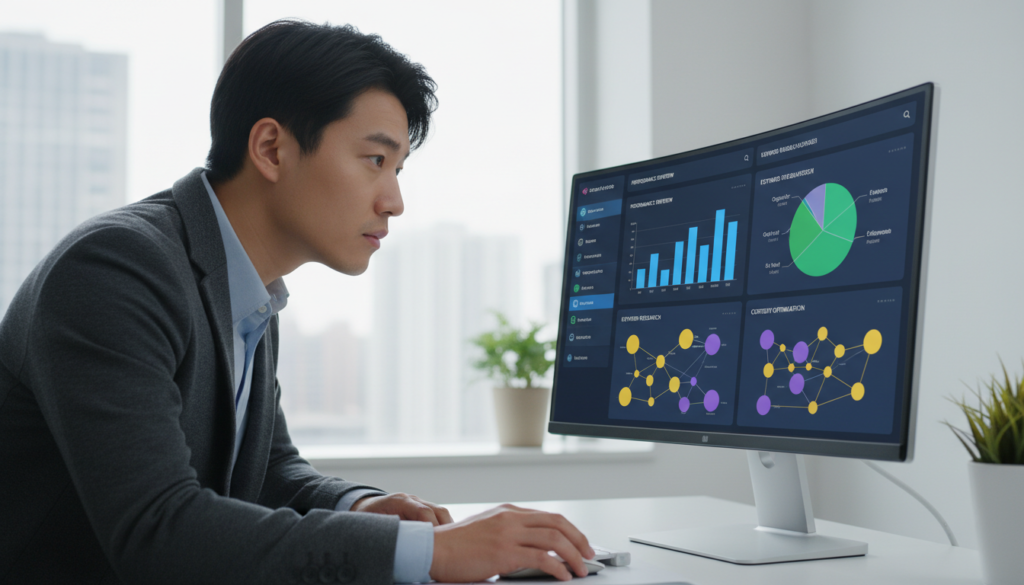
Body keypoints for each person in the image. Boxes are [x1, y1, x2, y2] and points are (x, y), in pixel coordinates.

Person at [0, 20, 593, 584]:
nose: (394, 200)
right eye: (375, 160)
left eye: (399, 168)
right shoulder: (118, 269)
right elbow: (158, 529)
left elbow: (271, 471)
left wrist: (359, 504)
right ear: (271, 148)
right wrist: (431, 552)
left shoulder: (245, 288)